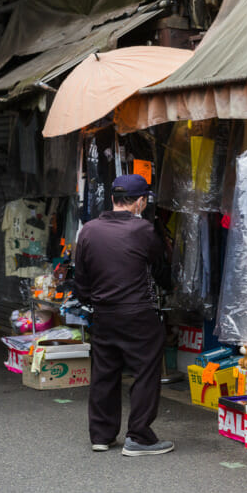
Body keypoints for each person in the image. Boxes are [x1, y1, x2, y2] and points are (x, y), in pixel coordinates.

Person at [72, 173, 173, 456]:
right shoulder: (144, 231)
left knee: (104, 372)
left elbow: (81, 280)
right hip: (138, 313)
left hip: (103, 313)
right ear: (140, 202)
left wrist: (92, 301)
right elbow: (160, 268)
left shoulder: (88, 230)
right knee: (145, 371)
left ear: (113, 199)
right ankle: (139, 436)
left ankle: (101, 436)